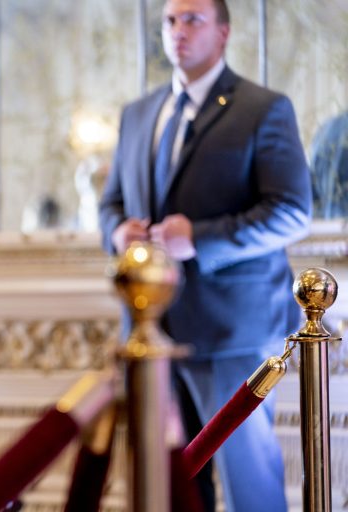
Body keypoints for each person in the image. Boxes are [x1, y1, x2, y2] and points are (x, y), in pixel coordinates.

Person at [98, 0, 311, 510]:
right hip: (151, 331)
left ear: (223, 32)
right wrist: (117, 232)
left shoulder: (263, 108)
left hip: (232, 330)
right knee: (167, 487)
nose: (178, 30)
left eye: (193, 19)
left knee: (248, 487)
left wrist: (198, 238)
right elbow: (110, 204)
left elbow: (291, 211)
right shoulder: (137, 114)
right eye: (170, 20)